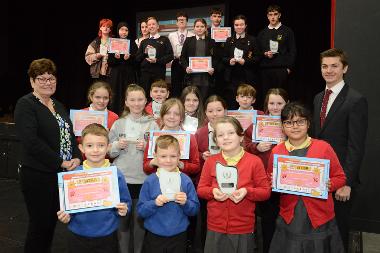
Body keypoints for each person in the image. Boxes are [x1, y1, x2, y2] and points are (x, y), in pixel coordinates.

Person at [14, 58, 82, 252]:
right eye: (41, 79)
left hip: (60, 175)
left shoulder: (59, 105)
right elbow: (31, 142)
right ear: (32, 81)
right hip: (37, 175)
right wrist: (61, 162)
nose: (47, 82)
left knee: (50, 226)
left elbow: (69, 135)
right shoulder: (25, 104)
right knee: (39, 226)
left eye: (51, 78)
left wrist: (77, 157)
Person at [268, 102, 346, 253]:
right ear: (282, 127)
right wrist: (272, 182)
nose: (295, 126)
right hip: (290, 215)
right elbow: (268, 178)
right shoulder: (277, 151)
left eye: (300, 121)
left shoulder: (323, 147)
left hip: (319, 215)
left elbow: (340, 177)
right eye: (289, 122)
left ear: (308, 124)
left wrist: (330, 184)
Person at [312, 48, 368, 251]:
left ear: (345, 68)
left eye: (334, 66)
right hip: (319, 178)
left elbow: (356, 147)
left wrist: (346, 183)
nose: (329, 70)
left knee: (339, 232)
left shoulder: (355, 100)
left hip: (340, 180)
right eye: (325, 66)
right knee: (321, 230)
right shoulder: (319, 97)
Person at [197, 116, 271, 253]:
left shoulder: (254, 162)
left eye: (231, 133)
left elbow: (265, 192)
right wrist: (213, 192)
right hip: (215, 227)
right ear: (216, 141)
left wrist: (247, 192)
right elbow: (201, 189)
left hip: (243, 228)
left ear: (241, 137)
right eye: (220, 135)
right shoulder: (211, 162)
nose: (226, 137)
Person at [57, 123, 132, 253]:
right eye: (90, 146)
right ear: (82, 148)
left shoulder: (116, 174)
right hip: (77, 234)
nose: (95, 150)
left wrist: (124, 209)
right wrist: (66, 215)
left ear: (108, 147)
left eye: (101, 145)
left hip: (107, 235)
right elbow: (67, 206)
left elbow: (126, 202)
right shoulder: (73, 176)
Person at [109, 84, 159, 253]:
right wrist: (116, 145)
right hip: (122, 178)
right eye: (132, 100)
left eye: (140, 99)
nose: (136, 103)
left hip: (143, 179)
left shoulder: (153, 124)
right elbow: (107, 150)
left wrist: (148, 147)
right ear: (126, 102)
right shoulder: (119, 123)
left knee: (139, 221)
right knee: (122, 221)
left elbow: (161, 151)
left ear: (146, 101)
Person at [243, 88, 288, 253]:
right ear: (266, 104)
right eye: (272, 103)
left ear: (286, 104)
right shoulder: (258, 124)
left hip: (284, 181)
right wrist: (256, 147)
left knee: (283, 219)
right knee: (265, 220)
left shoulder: (292, 124)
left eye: (279, 103)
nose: (275, 107)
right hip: (260, 180)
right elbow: (244, 143)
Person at [137, 135, 200, 253]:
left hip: (179, 235)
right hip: (154, 235)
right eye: (163, 156)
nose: (168, 160)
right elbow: (141, 211)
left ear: (179, 157)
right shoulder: (150, 181)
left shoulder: (186, 180)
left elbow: (195, 210)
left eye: (173, 156)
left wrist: (185, 203)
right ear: (155, 157)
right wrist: (154, 203)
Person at [143, 98, 200, 178]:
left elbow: (196, 167)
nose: (172, 117)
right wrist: (152, 163)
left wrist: (182, 165)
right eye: (168, 113)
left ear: (182, 117)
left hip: (181, 184)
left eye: (176, 114)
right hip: (158, 182)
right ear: (162, 116)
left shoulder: (190, 138)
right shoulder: (154, 137)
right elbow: (145, 168)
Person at [257, 5, 296, 102]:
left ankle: (282, 116)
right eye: (270, 15)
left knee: (281, 96)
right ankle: (267, 116)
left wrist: (289, 68)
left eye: (275, 14)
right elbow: (257, 52)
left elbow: (292, 50)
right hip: (265, 70)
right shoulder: (262, 33)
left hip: (281, 69)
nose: (273, 17)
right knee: (267, 97)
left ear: (279, 15)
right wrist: (265, 54)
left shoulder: (287, 31)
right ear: (267, 16)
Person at [223, 15, 260, 109]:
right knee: (232, 103)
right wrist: (229, 61)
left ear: (245, 25)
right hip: (232, 78)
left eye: (241, 24)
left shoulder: (252, 40)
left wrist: (245, 62)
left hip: (247, 77)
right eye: (236, 25)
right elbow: (223, 58)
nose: (239, 27)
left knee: (246, 103)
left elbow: (258, 58)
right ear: (233, 26)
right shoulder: (229, 40)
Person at [136, 16, 174, 94]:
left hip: (159, 73)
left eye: (153, 24)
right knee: (145, 95)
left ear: (158, 26)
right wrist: (145, 53)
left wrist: (157, 60)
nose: (151, 26)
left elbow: (170, 56)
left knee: (158, 95)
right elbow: (137, 59)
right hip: (145, 74)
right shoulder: (144, 42)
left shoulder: (164, 39)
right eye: (149, 25)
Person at [180, 18, 216, 100]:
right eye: (197, 26)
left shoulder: (211, 41)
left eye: (202, 26)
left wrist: (213, 68)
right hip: (192, 77)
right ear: (194, 28)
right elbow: (182, 57)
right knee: (193, 99)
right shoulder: (188, 40)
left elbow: (216, 58)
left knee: (204, 101)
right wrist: (186, 67)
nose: (199, 28)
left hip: (206, 78)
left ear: (205, 28)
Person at [108, 22, 138, 115]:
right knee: (116, 95)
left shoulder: (132, 43)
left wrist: (129, 59)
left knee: (128, 94)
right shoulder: (113, 42)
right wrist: (116, 59)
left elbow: (136, 62)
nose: (124, 32)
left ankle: (129, 114)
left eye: (126, 30)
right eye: (122, 30)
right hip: (116, 75)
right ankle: (115, 115)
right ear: (118, 31)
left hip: (128, 74)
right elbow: (110, 63)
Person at [168, 12, 195, 98]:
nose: (181, 21)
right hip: (176, 62)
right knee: (176, 85)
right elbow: (169, 50)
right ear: (176, 22)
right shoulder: (171, 35)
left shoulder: (192, 35)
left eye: (183, 20)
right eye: (179, 20)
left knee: (187, 85)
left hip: (187, 63)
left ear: (187, 22)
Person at [208, 7, 226, 97]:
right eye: (214, 16)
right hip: (208, 67)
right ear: (211, 17)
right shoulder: (205, 31)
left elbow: (227, 49)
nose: (217, 18)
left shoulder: (226, 31)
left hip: (222, 66)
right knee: (208, 93)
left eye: (219, 16)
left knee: (220, 93)